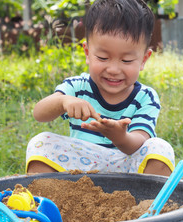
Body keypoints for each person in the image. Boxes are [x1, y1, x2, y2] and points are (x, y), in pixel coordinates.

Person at [26, 0, 175, 176]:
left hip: (128, 172)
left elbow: (139, 141)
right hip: (82, 172)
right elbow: (39, 113)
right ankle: (46, 200)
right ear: (88, 53)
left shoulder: (145, 97)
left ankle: (148, 201)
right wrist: (63, 101)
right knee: (40, 142)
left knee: (160, 148)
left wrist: (120, 137)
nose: (113, 69)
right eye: (103, 58)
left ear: (143, 60)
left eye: (126, 60)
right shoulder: (77, 87)